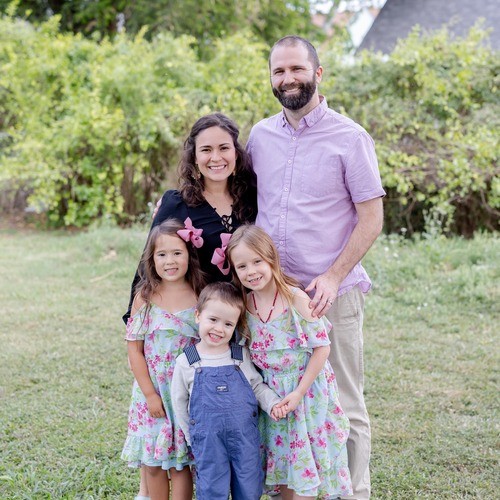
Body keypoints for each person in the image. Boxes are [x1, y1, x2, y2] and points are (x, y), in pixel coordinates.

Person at [246, 36, 385, 499]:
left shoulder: (350, 137)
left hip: (331, 294)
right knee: (282, 395)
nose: (288, 79)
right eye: (279, 71)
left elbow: (372, 218)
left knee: (344, 400)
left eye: (297, 69)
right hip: (274, 297)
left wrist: (333, 275)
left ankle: (354, 492)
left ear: (318, 73)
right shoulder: (260, 136)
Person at [226, 224, 352, 499]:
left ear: (271, 258)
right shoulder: (244, 308)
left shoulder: (295, 298)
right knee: (282, 464)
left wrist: (298, 392)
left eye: (257, 261)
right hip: (273, 400)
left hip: (306, 394)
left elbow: (322, 348)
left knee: (306, 469)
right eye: (242, 266)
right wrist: (269, 399)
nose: (251, 271)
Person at [123, 112, 257, 324]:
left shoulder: (254, 200)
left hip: (250, 319)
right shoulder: (176, 204)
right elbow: (148, 268)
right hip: (199, 324)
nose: (216, 157)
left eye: (224, 148)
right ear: (194, 156)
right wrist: (134, 326)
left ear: (236, 153)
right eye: (206, 150)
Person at [171, 282, 286, 500]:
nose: (219, 329)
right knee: (212, 487)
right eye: (213, 320)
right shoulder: (187, 361)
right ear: (198, 315)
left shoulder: (239, 355)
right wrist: (191, 436)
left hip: (244, 438)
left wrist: (272, 403)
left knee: (248, 485)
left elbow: (256, 386)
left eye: (228, 324)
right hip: (208, 441)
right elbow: (179, 402)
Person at [121, 218, 206, 500]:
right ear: (152, 259)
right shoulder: (145, 297)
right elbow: (135, 349)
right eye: (162, 254)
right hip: (153, 391)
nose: (170, 261)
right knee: (154, 463)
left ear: (189, 255)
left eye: (177, 253)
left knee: (181, 463)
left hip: (186, 391)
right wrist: (149, 394)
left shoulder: (199, 295)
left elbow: (206, 345)